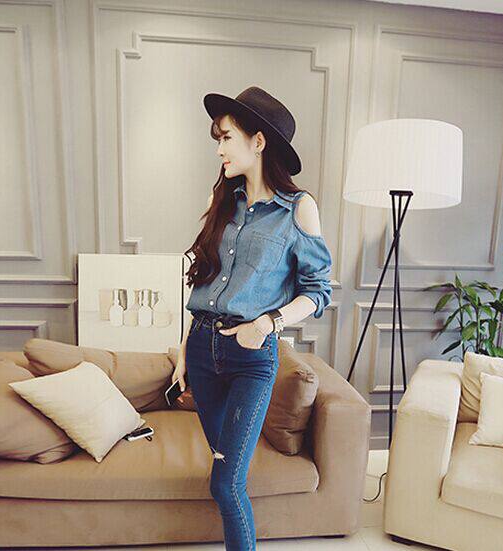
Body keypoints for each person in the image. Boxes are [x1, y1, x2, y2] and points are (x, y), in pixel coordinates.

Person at [171, 86, 333, 550]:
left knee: (225, 484)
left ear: (258, 141)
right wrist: (184, 351)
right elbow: (203, 282)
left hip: (251, 358)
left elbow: (318, 291)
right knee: (226, 475)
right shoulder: (223, 200)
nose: (219, 149)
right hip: (202, 352)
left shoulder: (298, 209)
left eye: (226, 137)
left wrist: (267, 324)